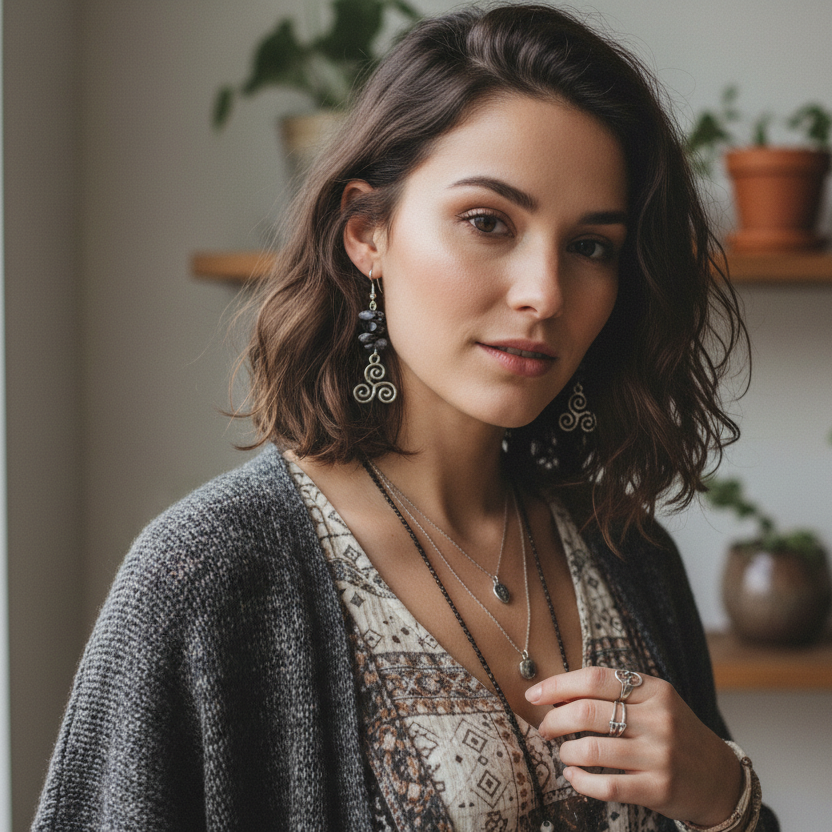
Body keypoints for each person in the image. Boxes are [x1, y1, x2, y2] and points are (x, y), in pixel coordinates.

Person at [34, 5, 779, 831]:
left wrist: (726, 798)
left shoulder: (630, 552)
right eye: (488, 222)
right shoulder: (208, 576)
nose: (545, 293)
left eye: (590, 246)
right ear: (367, 233)